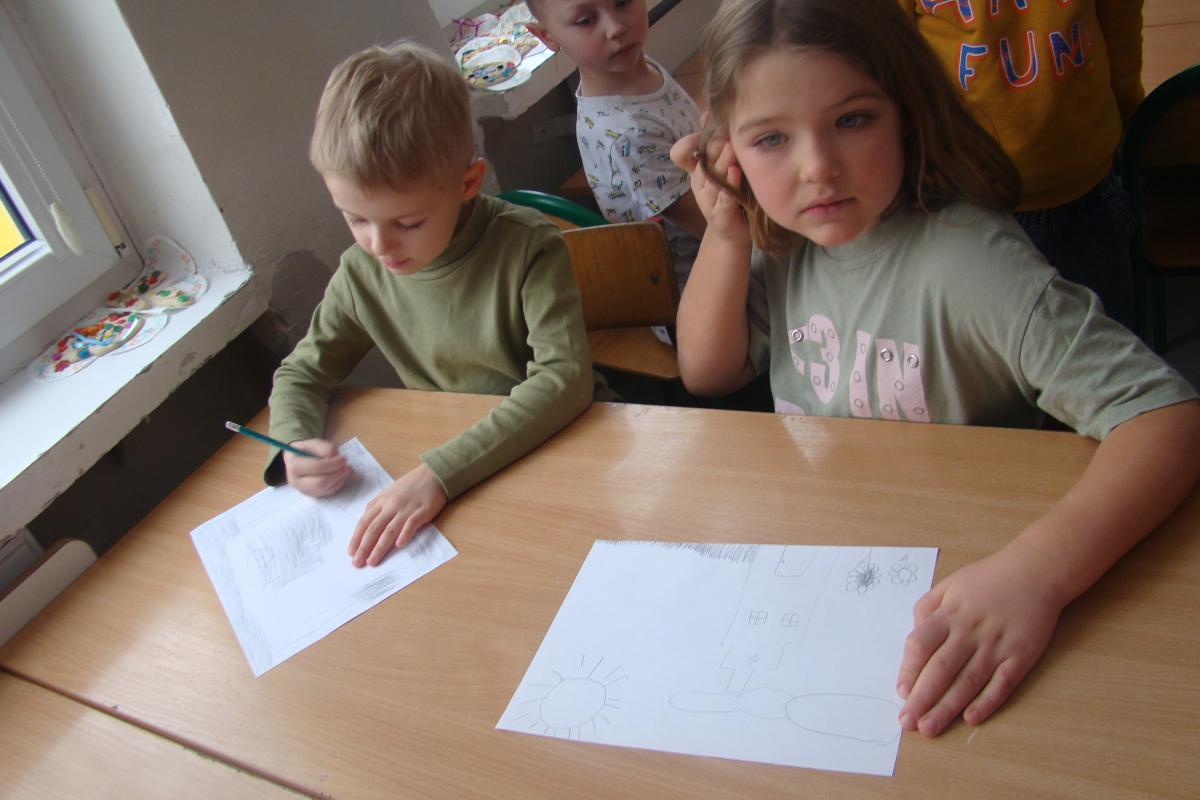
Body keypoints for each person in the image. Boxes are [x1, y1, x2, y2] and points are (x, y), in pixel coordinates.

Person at [670, 0, 1200, 738]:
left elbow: (1166, 416)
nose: (817, 168)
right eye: (771, 139)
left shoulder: (972, 264)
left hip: (981, 582)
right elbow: (709, 372)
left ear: (907, 114)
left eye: (853, 119)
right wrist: (726, 235)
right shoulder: (783, 246)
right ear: (728, 153)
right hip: (852, 582)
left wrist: (1037, 574)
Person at [267, 41, 603, 568]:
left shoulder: (527, 246)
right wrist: (293, 443)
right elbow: (300, 374)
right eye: (355, 219)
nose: (378, 245)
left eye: (407, 223)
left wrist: (440, 474)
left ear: (468, 183)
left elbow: (564, 380)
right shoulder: (361, 274)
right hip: (466, 470)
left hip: (560, 447)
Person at [899, 0, 1143, 331]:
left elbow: (1120, 21)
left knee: (1103, 342)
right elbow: (887, 51)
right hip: (970, 199)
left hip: (1085, 192)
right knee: (996, 346)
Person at [526, 0, 707, 289]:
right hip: (701, 277)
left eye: (622, 1)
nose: (616, 28)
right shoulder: (628, 134)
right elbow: (709, 225)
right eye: (586, 20)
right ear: (547, 36)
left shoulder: (636, 70)